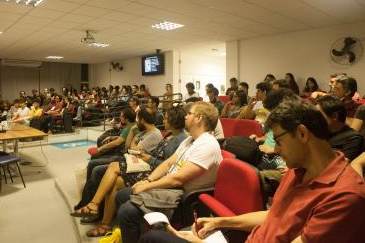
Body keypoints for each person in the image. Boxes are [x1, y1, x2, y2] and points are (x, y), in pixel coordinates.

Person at [140, 99, 365, 243]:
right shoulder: (297, 170)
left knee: (155, 239)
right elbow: (274, 215)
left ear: (303, 134)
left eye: (278, 141)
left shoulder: (345, 196)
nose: (275, 149)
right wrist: (220, 222)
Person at [115, 101, 222, 243]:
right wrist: (148, 180)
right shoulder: (190, 140)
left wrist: (146, 187)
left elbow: (178, 179)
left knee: (126, 212)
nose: (185, 117)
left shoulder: (208, 144)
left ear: (199, 118)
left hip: (181, 197)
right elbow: (168, 163)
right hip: (170, 187)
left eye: (189, 114)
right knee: (121, 195)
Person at [75, 107, 187, 237]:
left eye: (166, 118)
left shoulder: (180, 140)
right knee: (115, 179)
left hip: (155, 172)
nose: (164, 120)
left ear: (173, 120)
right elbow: (147, 151)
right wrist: (147, 155)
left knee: (112, 167)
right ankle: (103, 222)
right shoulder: (169, 134)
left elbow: (169, 166)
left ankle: (96, 208)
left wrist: (150, 159)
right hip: (148, 165)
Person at [74, 108, 136, 211]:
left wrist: (100, 148)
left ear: (126, 119)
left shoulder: (129, 128)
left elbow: (118, 143)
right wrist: (113, 137)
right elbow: (122, 138)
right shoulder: (132, 127)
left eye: (121, 116)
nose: (119, 118)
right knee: (94, 160)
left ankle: (88, 199)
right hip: (123, 154)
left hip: (122, 156)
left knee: (94, 165)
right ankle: (88, 193)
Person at [314, 95, 364, 161]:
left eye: (318, 115)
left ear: (334, 116)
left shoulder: (354, 138)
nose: (314, 119)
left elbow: (340, 166)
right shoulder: (318, 132)